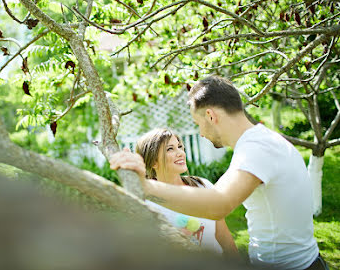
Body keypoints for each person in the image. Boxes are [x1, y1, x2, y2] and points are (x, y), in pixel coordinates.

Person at [110, 75, 329, 270]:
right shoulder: (262, 141)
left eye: (198, 123)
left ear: (211, 116)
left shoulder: (257, 149)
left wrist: (146, 186)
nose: (201, 133)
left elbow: (219, 205)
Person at [135, 128, 238, 256]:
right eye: (170, 149)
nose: (180, 153)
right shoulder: (147, 202)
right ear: (154, 161)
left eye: (179, 146)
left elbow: (223, 235)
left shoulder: (203, 186)